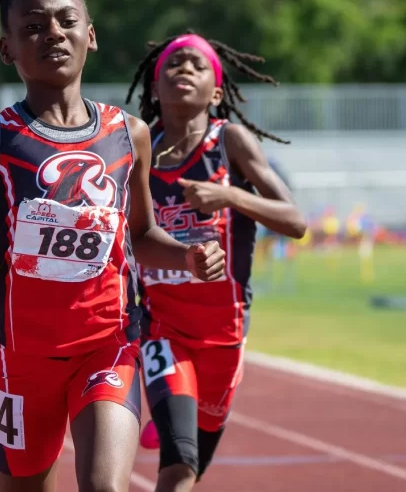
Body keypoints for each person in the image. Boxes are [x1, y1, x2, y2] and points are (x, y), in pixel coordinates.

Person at [0, 0, 227, 492]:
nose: (52, 34)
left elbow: (140, 235)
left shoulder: (128, 134)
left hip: (107, 343)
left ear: (91, 33)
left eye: (66, 21)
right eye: (33, 27)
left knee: (104, 489)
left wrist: (187, 256)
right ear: (6, 47)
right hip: (24, 359)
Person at [124, 33, 306, 491]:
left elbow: (296, 221)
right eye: (173, 64)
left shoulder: (231, 142)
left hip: (224, 335)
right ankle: (166, 413)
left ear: (217, 92)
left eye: (197, 65)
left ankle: (169, 417)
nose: (184, 69)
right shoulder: (136, 151)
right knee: (179, 462)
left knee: (193, 466)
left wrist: (229, 195)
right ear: (155, 87)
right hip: (162, 328)